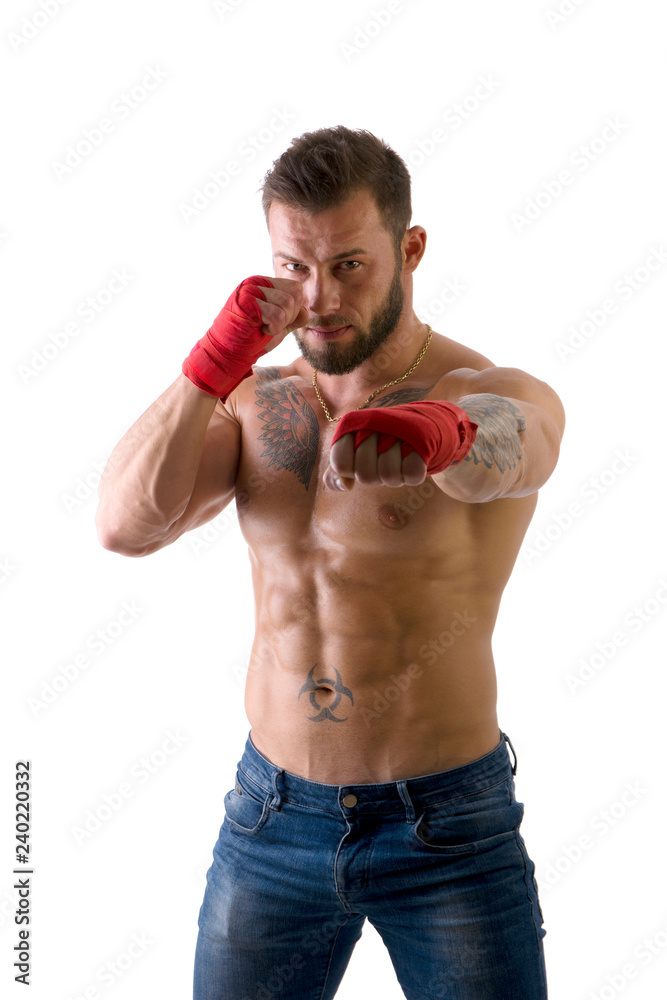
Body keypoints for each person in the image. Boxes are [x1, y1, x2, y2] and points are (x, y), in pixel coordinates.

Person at [96, 125, 564, 1000]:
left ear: (410, 248)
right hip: (270, 816)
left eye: (349, 264)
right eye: (293, 268)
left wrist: (440, 434)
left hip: (445, 828)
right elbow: (126, 525)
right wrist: (209, 368)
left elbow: (523, 444)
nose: (317, 298)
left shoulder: (474, 388)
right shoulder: (256, 403)